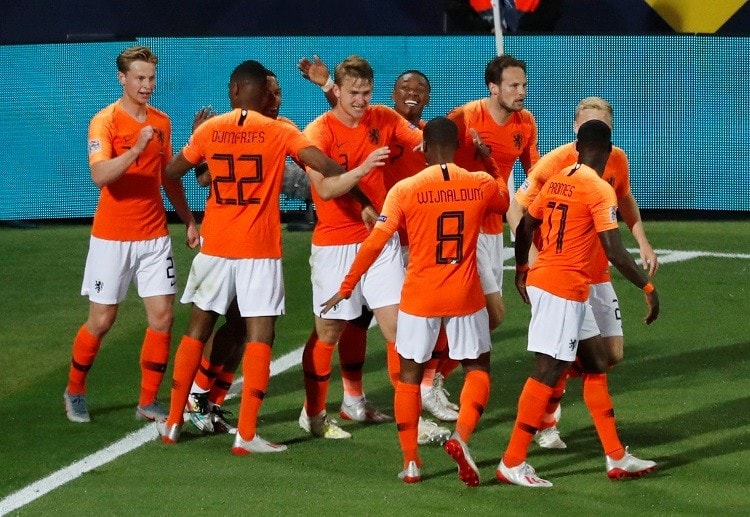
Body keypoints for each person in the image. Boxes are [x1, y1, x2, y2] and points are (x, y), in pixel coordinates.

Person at [156, 59, 389, 454]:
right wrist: (362, 191)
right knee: (260, 336)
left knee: (199, 330)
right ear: (260, 93)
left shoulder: (210, 129)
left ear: (233, 92)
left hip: (215, 248)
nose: (276, 97)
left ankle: (174, 423)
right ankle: (246, 435)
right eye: (273, 91)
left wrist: (187, 219)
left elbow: (174, 173)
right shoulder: (280, 131)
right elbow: (326, 165)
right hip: (258, 252)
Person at [320, 116, 510, 485]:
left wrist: (347, 286)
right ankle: (461, 437)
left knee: (408, 378)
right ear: (456, 147)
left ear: (423, 148)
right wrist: (488, 161)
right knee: (478, 368)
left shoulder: (405, 189)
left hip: (420, 296)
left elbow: (375, 241)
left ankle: (411, 463)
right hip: (465, 293)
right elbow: (504, 202)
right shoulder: (480, 183)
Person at [298, 57, 458, 437]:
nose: (360, 100)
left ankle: (413, 420)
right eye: (353, 93)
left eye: (366, 92)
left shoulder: (383, 118)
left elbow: (419, 141)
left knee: (397, 329)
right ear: (337, 90)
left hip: (379, 240)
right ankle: (314, 413)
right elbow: (324, 189)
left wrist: (442, 147)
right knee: (330, 332)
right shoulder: (318, 133)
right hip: (336, 243)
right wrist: (364, 168)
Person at [496, 119, 659, 488]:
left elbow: (525, 225)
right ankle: (512, 461)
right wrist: (647, 288)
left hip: (564, 285)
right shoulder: (599, 189)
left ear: (578, 147)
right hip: (560, 289)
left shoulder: (559, 176)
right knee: (548, 370)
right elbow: (615, 251)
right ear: (607, 150)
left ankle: (616, 456)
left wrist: (522, 266)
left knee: (596, 362)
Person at [63, 45, 199, 424]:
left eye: (151, 78)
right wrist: (136, 148)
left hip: (154, 235)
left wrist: (188, 219)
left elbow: (167, 178)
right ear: (122, 78)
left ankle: (148, 401)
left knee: (162, 317)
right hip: (111, 237)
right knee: (102, 320)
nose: (147, 85)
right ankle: (74, 390)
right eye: (140, 78)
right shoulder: (104, 122)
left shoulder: (162, 121)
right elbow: (100, 176)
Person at [184, 72, 307, 435]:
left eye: (280, 91)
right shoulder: (229, 129)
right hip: (228, 242)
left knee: (241, 327)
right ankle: (198, 395)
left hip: (256, 242)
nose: (277, 97)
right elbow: (203, 179)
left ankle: (210, 402)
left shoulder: (283, 127)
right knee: (233, 324)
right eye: (271, 91)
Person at [448, 54, 540, 333]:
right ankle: (433, 370)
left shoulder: (525, 123)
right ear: (493, 88)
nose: (521, 92)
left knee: (486, 319)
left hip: (492, 228)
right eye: (513, 86)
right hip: (461, 225)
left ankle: (440, 369)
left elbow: (536, 173)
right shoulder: (465, 118)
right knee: (490, 312)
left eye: (524, 85)